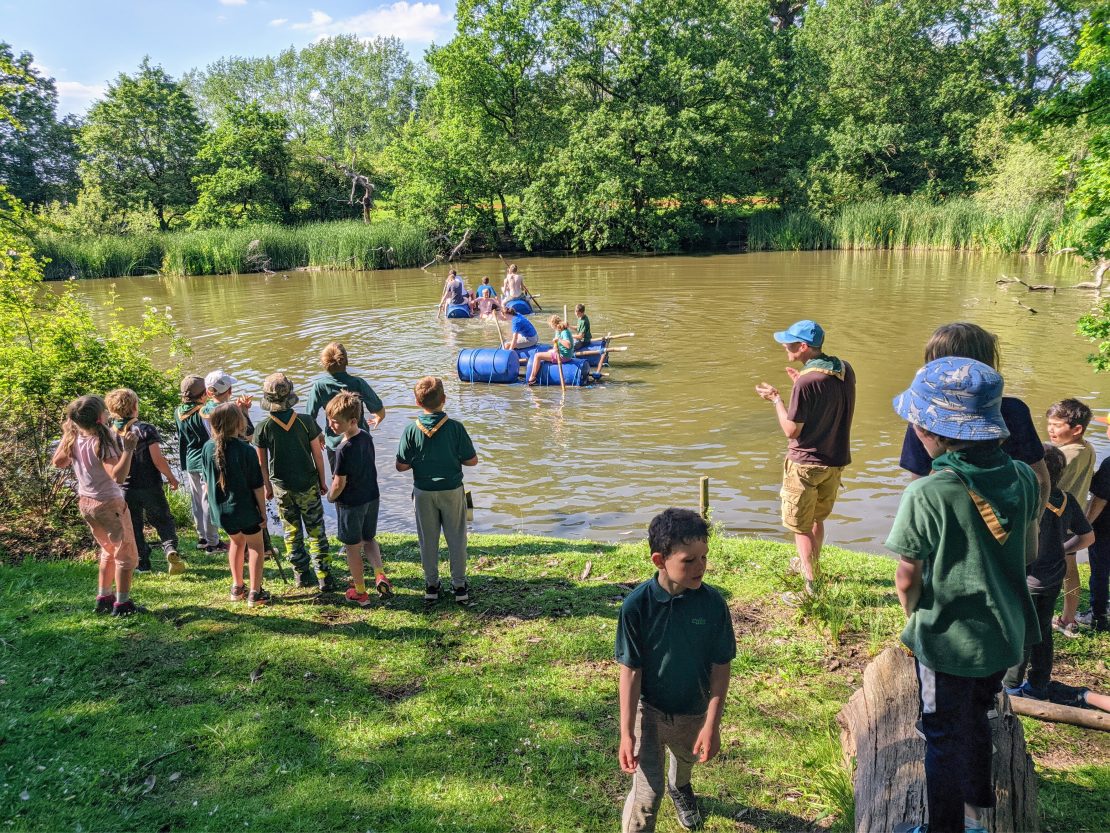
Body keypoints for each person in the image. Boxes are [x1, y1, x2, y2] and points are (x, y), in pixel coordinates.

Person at [887, 357, 1040, 833]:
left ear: (928, 429)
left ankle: (945, 829)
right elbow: (1029, 552)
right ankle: (978, 813)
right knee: (979, 714)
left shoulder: (929, 493)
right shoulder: (1024, 475)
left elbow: (907, 579)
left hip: (949, 643)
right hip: (1005, 633)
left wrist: (914, 615)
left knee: (941, 735)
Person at [616, 508, 736, 833]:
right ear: (659, 560)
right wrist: (626, 731)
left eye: (704, 557)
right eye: (689, 560)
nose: (700, 567)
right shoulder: (636, 608)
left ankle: (680, 787)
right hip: (649, 713)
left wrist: (712, 724)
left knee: (685, 764)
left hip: (693, 713)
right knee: (646, 794)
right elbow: (630, 671)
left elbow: (720, 668)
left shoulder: (713, 605)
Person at [754, 320, 855, 596]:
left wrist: (776, 399)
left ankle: (811, 587)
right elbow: (827, 399)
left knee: (800, 527)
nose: (784, 347)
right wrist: (800, 383)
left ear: (803, 347)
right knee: (816, 520)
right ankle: (809, 564)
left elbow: (791, 430)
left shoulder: (807, 382)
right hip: (834, 461)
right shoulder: (844, 369)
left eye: (789, 343)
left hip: (805, 464)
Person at [898, 323, 1049, 503]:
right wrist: (1033, 524)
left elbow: (919, 488)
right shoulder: (1014, 411)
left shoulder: (923, 416)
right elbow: (1041, 481)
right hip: (1010, 517)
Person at [1005, 444, 1093, 699]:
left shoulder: (1024, 501)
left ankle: (1011, 686)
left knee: (1021, 632)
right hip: (1053, 578)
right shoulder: (1067, 500)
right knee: (1043, 630)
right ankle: (1038, 685)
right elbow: (1087, 537)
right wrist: (1062, 549)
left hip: (1027, 580)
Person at [52, 395, 145, 617]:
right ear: (101, 417)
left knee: (108, 550)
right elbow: (118, 476)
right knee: (125, 555)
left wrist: (68, 433)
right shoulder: (102, 443)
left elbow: (58, 462)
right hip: (108, 503)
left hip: (86, 503)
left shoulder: (74, 438)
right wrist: (129, 449)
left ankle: (104, 597)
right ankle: (122, 604)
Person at [396, 376, 478, 603]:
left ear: (417, 402)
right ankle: (460, 586)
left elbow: (401, 466)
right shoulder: (455, 428)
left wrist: (419, 461)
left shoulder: (411, 430)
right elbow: (472, 461)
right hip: (452, 490)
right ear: (444, 399)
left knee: (427, 539)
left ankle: (431, 585)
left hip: (423, 491)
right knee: (457, 538)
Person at [254, 372, 335, 591]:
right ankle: (324, 576)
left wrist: (267, 487)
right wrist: (322, 480)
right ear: (290, 396)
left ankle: (300, 574)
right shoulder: (306, 421)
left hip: (281, 488)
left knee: (291, 531)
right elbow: (317, 454)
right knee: (316, 530)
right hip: (307, 484)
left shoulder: (263, 427)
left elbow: (262, 462)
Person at [104, 388, 185, 576]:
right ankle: (170, 548)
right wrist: (171, 478)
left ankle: (143, 563)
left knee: (133, 526)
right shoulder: (146, 429)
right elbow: (158, 460)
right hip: (150, 486)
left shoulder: (110, 434)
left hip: (125, 489)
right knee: (163, 519)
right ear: (134, 407)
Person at [325, 391, 393, 606]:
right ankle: (380, 574)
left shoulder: (343, 449)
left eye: (335, 422)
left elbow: (339, 483)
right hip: (371, 497)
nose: (330, 425)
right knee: (369, 539)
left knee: (352, 547)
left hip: (351, 503)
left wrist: (329, 497)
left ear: (352, 421)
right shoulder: (365, 436)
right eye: (329, 420)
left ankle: (360, 592)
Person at [201, 403, 270, 608]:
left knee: (236, 543)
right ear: (239, 423)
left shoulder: (207, 448)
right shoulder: (246, 450)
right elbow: (257, 486)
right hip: (245, 509)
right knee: (256, 546)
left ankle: (237, 587)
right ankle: (255, 593)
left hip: (222, 511)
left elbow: (206, 479)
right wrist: (263, 513)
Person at [1045, 398, 1096, 637]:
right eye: (1049, 424)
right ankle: (1068, 618)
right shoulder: (1088, 448)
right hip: (1072, 518)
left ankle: (1049, 614)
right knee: (1070, 569)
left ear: (1076, 429)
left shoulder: (1062, 455)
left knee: (1048, 569)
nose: (1051, 429)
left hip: (1054, 519)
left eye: (1057, 425)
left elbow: (1047, 486)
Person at [305, 342, 386, 472]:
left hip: (335, 443)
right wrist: (378, 418)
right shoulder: (358, 383)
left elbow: (309, 418)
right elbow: (380, 410)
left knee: (338, 481)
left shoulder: (319, 386)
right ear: (346, 361)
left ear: (325, 365)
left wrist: (318, 434)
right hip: (360, 441)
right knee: (364, 480)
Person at [176, 375, 225, 554]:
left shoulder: (178, 411)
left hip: (189, 459)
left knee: (196, 499)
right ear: (204, 393)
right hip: (205, 459)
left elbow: (181, 439)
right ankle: (213, 542)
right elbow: (212, 436)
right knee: (208, 499)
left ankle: (202, 538)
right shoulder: (203, 411)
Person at [1083, 423, 1110, 633]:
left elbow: (1100, 499)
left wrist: (1085, 525)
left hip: (1105, 529)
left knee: (1100, 572)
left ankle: (1098, 616)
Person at [201, 370, 254, 439]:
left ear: (208, 393)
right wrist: (243, 412)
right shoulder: (231, 412)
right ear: (230, 390)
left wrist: (236, 408)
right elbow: (250, 437)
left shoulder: (204, 410)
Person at [527, 315, 576, 386]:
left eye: (551, 325)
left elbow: (568, 345)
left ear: (553, 324)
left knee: (537, 356)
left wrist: (559, 340)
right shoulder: (558, 330)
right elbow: (556, 345)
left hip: (564, 356)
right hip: (561, 353)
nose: (551, 327)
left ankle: (532, 378)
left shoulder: (564, 332)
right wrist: (555, 348)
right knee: (548, 351)